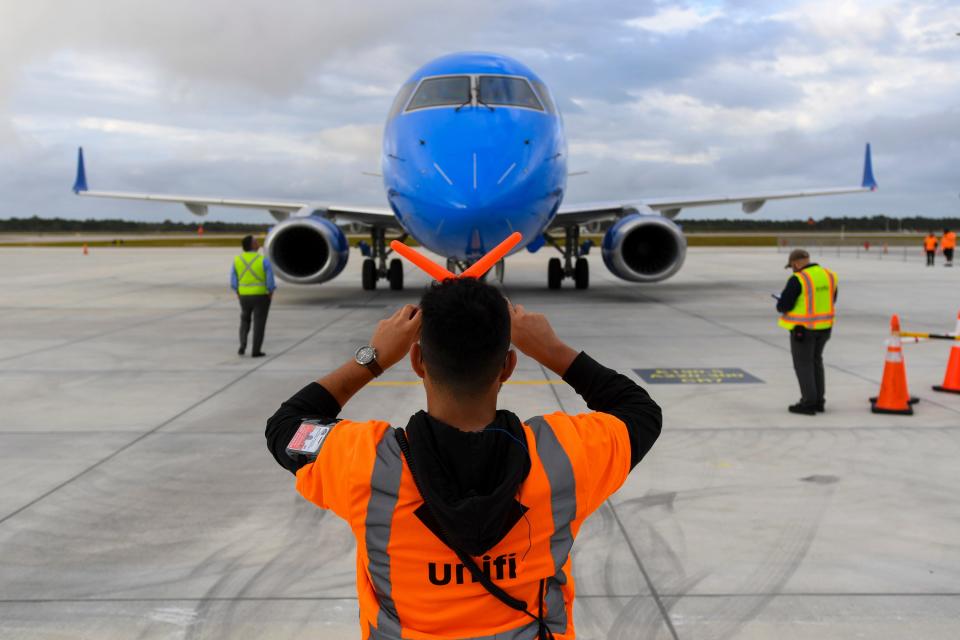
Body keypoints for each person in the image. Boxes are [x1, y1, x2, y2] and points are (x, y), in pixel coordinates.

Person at [265, 278, 661, 639]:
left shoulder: (363, 463)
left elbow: (286, 426)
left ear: (417, 361)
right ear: (507, 366)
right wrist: (551, 349)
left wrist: (373, 358)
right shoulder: (563, 456)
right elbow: (639, 411)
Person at [776, 249, 838, 415]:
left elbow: (784, 305)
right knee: (816, 362)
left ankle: (808, 402)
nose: (792, 270)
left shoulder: (798, 279)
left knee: (803, 366)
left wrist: (780, 302)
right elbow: (832, 299)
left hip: (803, 330)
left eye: (792, 267)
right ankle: (819, 401)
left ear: (795, 263)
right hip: (825, 328)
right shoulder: (829, 275)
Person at [231, 235, 275, 357]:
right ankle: (256, 351)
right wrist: (270, 292)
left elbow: (233, 280)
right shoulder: (263, 260)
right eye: (256, 241)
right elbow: (270, 280)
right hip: (261, 296)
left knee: (244, 321)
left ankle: (242, 345)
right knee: (259, 324)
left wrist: (238, 292)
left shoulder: (237, 260)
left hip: (244, 296)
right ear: (251, 245)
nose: (258, 242)